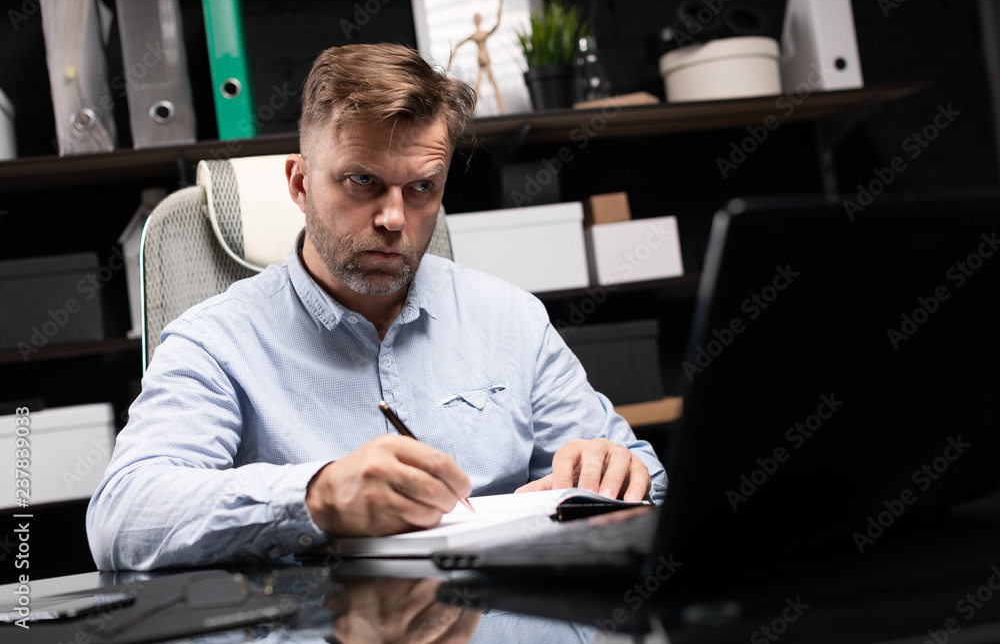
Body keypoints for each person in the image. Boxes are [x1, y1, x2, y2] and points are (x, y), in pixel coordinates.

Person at [86, 43, 666, 571]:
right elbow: (124, 517)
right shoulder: (215, 342)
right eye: (362, 181)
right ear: (299, 184)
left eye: (422, 188)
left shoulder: (510, 319)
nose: (394, 219)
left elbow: (649, 478)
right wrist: (317, 497)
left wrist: (613, 467)